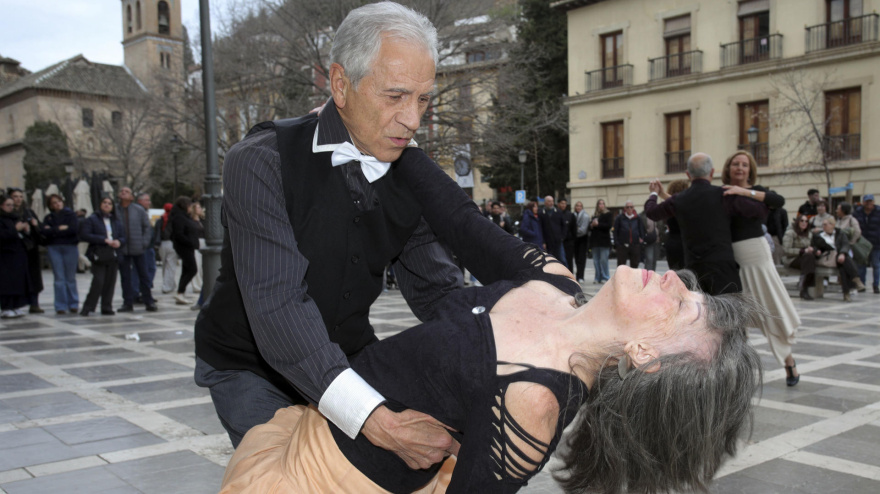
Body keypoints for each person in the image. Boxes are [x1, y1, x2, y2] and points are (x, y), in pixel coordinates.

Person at [193, 1, 545, 465]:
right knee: (300, 477)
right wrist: (374, 418)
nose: (413, 119)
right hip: (249, 366)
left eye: (422, 99)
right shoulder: (259, 161)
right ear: (341, 84)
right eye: (395, 95)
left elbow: (437, 290)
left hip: (350, 353)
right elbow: (278, 306)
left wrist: (512, 341)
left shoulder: (410, 174)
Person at [220, 265, 763, 494]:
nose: (672, 278)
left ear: (644, 352)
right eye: (686, 288)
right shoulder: (553, 297)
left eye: (681, 306)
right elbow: (450, 235)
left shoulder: (535, 402)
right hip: (303, 439)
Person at [721, 150, 801, 386]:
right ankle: (739, 371)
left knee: (771, 309)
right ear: (729, 167)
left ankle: (789, 362)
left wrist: (743, 191)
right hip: (731, 259)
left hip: (757, 255)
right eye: (735, 163)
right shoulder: (721, 193)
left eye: (744, 165)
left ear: (750, 170)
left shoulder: (759, 191)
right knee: (737, 316)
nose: (740, 168)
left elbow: (778, 201)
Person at [645, 152, 767, 295]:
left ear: (688, 174)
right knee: (730, 313)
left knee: (701, 313)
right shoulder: (724, 195)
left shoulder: (680, 199)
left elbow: (652, 212)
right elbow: (759, 211)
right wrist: (750, 193)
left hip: (694, 268)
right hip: (722, 266)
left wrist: (654, 194)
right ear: (712, 172)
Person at [78, 197, 125, 316]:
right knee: (98, 281)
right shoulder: (92, 219)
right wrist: (103, 240)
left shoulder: (116, 221)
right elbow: (85, 234)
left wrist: (119, 242)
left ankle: (106, 306)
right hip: (99, 253)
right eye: (104, 202)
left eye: (110, 203)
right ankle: (88, 307)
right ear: (100, 204)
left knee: (110, 282)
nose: (107, 205)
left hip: (113, 254)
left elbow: (123, 236)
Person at [115, 187, 157, 312]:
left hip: (138, 248)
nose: (123, 192)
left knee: (144, 276)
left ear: (132, 197)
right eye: (121, 191)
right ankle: (127, 302)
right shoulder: (115, 210)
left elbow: (147, 228)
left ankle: (148, 301)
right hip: (122, 248)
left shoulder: (139, 210)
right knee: (125, 277)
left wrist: (143, 243)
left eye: (126, 191)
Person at [811, 216, 866, 302]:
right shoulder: (818, 235)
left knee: (843, 266)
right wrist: (817, 251)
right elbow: (815, 246)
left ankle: (847, 293)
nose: (823, 226)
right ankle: (856, 280)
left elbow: (845, 244)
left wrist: (842, 253)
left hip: (839, 258)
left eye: (825, 224)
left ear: (832, 225)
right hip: (827, 258)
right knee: (845, 261)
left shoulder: (840, 233)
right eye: (823, 225)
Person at [41, 194, 80, 314]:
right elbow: (45, 231)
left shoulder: (71, 215)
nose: (57, 204)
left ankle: (73, 303)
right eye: (54, 203)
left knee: (70, 277)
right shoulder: (48, 218)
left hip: (70, 247)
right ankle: (60, 305)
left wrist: (54, 230)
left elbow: (73, 230)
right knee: (59, 277)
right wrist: (59, 229)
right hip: (54, 247)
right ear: (50, 206)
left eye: (58, 201)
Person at [9, 188, 44, 313]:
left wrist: (34, 226)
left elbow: (40, 230)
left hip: (30, 248)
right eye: (15, 196)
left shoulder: (28, 212)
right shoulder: (6, 213)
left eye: (20, 196)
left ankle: (34, 303)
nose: (18, 199)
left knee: (34, 276)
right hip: (14, 249)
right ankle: (16, 304)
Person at [0, 194, 33, 318]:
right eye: (8, 205)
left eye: (12, 205)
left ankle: (17, 305)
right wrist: (15, 229)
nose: (10, 207)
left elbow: (23, 235)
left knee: (19, 280)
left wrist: (26, 230)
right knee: (7, 282)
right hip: (6, 254)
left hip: (18, 253)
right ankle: (6, 306)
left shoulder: (15, 217)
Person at [170, 196, 200, 305]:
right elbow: (179, 234)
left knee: (186, 270)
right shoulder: (179, 217)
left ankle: (180, 292)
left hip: (188, 246)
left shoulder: (184, 217)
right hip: (185, 247)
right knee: (192, 269)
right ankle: (180, 291)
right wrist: (190, 242)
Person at [783, 214, 818, 300]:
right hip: (791, 258)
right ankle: (804, 289)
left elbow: (812, 246)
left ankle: (804, 287)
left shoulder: (809, 234)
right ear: (797, 222)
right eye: (802, 221)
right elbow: (786, 250)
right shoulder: (790, 233)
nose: (804, 223)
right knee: (809, 259)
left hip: (805, 259)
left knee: (810, 258)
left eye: (806, 221)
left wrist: (812, 249)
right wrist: (802, 251)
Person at [130, 193, 156, 303]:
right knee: (140, 271)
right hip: (142, 247)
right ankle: (137, 293)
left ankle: (145, 292)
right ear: (140, 201)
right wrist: (143, 243)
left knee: (150, 269)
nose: (149, 202)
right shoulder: (136, 211)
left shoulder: (143, 211)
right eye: (147, 200)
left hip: (148, 246)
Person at [854, 194, 880, 293]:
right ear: (863, 202)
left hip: (876, 243)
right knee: (861, 265)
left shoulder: (878, 212)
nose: (868, 203)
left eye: (870, 201)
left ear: (873, 202)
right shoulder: (857, 213)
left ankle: (876, 285)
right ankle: (862, 285)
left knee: (876, 265)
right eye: (867, 201)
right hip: (862, 243)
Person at [662, 179, 689, 270]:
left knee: (676, 274)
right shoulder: (684, 205)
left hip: (672, 243)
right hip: (685, 243)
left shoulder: (668, 206)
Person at [613, 201, 643, 268]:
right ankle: (621, 278)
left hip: (635, 245)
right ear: (625, 208)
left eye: (631, 207)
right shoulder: (619, 218)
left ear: (633, 208)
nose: (629, 208)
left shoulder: (638, 218)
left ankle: (633, 278)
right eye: (627, 207)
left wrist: (641, 239)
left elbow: (641, 230)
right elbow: (615, 231)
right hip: (622, 245)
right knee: (621, 265)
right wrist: (617, 243)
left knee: (635, 265)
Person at [589, 199, 612, 283]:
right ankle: (597, 277)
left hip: (604, 241)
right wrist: (591, 225)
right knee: (596, 261)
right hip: (595, 241)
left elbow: (608, 225)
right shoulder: (594, 215)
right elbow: (590, 227)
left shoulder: (608, 214)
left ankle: (605, 277)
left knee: (603, 260)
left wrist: (598, 224)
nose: (601, 205)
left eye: (602, 204)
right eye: (599, 204)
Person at [157, 203, 178, 293]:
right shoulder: (174, 219)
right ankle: (168, 285)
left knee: (165, 265)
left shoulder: (161, 219)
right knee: (171, 265)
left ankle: (168, 284)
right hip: (172, 243)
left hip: (162, 244)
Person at [540, 196, 566, 263]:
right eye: (549, 201)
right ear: (545, 202)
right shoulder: (541, 213)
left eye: (552, 201)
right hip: (548, 242)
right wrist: (543, 241)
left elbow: (564, 226)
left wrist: (562, 237)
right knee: (549, 260)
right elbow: (540, 228)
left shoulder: (558, 212)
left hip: (558, 241)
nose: (551, 203)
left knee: (562, 259)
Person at [188, 201, 206, 294]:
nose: (199, 209)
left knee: (203, 266)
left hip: (203, 242)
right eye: (198, 207)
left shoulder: (202, 220)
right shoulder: (191, 221)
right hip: (195, 244)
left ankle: (202, 284)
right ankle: (196, 285)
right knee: (197, 265)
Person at [572, 201, 590, 283]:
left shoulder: (585, 216)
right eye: (577, 206)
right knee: (576, 259)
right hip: (575, 240)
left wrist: (575, 231)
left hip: (583, 239)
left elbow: (583, 230)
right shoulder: (573, 215)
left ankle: (581, 276)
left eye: (580, 206)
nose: (578, 207)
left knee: (581, 259)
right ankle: (577, 275)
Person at [559, 199, 575, 270]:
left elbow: (574, 229)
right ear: (558, 204)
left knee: (569, 260)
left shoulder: (570, 215)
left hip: (569, 241)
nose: (563, 205)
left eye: (565, 203)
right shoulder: (556, 213)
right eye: (562, 203)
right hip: (558, 241)